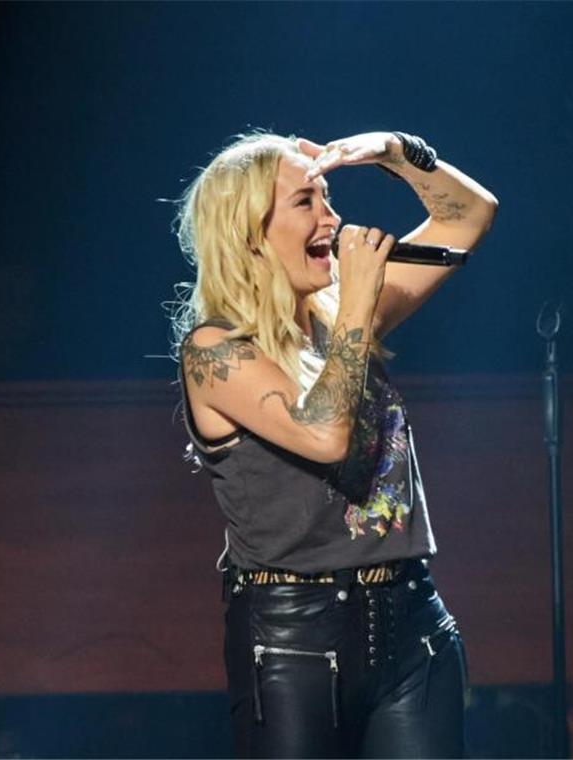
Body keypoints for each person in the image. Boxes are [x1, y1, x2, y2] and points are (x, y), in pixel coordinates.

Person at [171, 129, 497, 758]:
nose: (332, 217)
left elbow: (469, 214)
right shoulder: (215, 352)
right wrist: (356, 300)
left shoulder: (341, 314)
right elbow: (323, 436)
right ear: (248, 232)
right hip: (293, 639)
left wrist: (396, 152)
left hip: (411, 625)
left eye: (328, 196)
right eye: (306, 202)